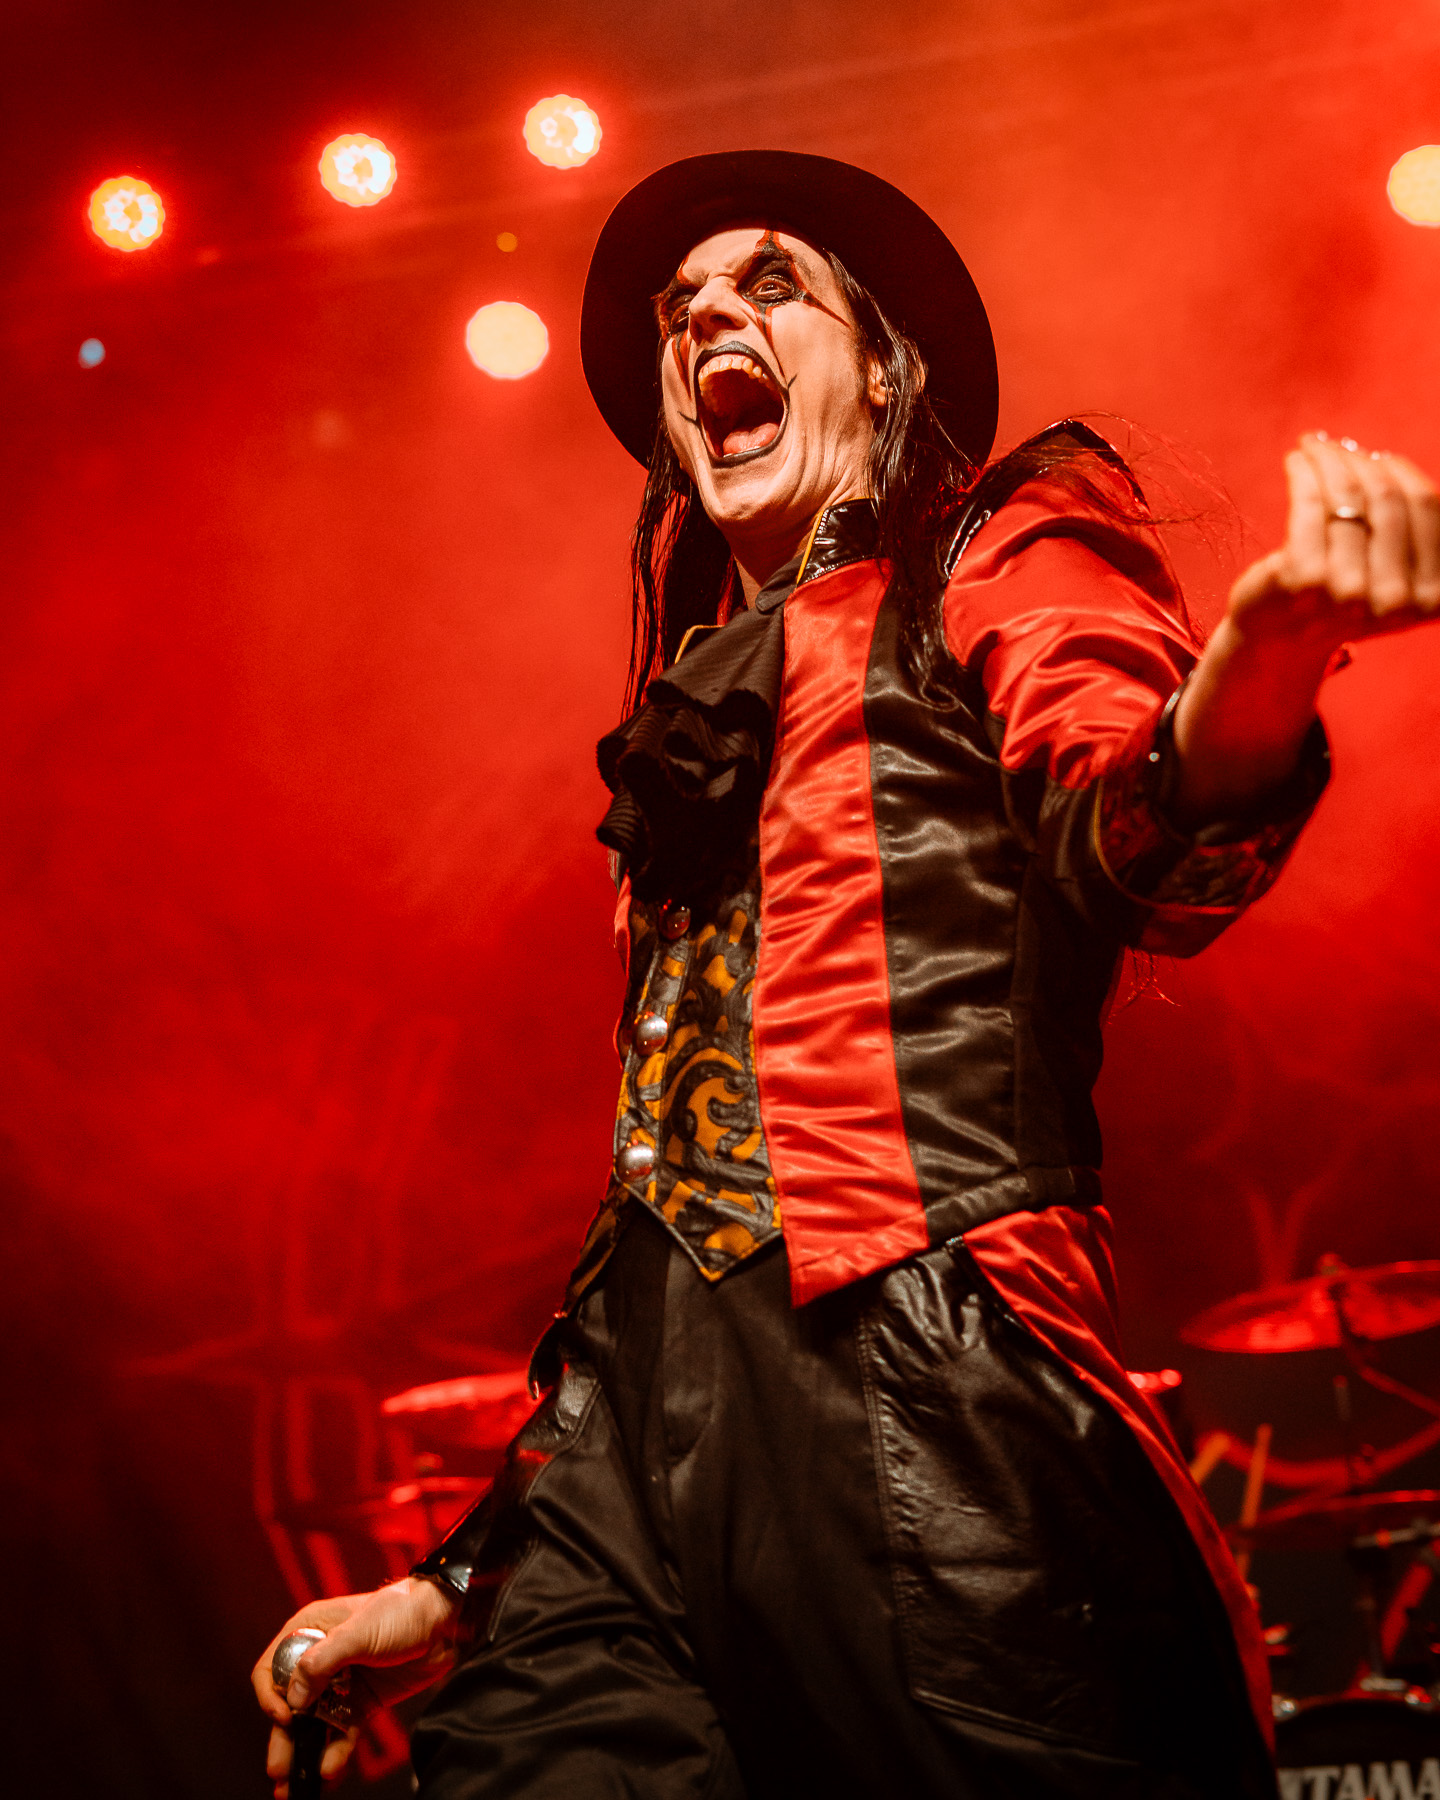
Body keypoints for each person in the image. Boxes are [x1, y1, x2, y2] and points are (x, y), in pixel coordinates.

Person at [252, 151, 1440, 1798]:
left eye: (768, 283)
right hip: (629, 1483)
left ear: (881, 370)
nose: (705, 319)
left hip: (926, 1398)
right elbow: (659, 1237)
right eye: (680, 305)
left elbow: (1135, 842)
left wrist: (1268, 655)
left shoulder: (993, 556)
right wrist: (456, 1583)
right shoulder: (689, 727)